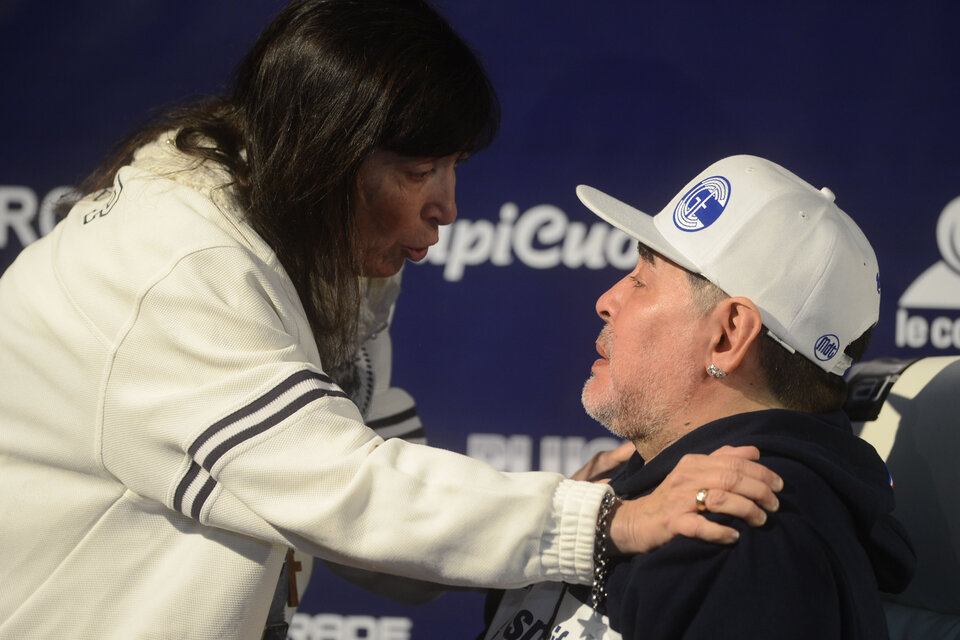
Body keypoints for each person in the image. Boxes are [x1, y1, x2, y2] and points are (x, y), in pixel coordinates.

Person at [0, 3, 783, 638]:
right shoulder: (174, 272)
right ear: (325, 156)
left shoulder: (303, 252)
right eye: (418, 171)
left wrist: (560, 517)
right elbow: (344, 488)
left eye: (451, 169)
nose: (445, 207)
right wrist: (603, 521)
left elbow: (381, 531)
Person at [479, 155, 916, 640]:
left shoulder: (743, 537)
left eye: (641, 280)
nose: (606, 300)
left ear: (728, 336)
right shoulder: (634, 491)